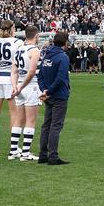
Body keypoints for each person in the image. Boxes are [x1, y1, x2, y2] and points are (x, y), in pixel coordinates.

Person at [0, 20, 23, 156]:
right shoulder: (17, 42)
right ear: (12, 28)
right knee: (14, 113)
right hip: (10, 78)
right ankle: (14, 147)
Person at [38, 31, 71, 165]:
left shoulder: (47, 55)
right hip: (58, 95)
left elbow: (40, 75)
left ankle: (43, 154)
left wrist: (44, 90)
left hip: (48, 95)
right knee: (56, 126)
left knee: (46, 125)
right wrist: (49, 91)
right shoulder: (62, 57)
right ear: (65, 42)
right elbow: (61, 78)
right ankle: (53, 156)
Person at [11, 25, 42, 161]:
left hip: (19, 86)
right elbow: (32, 71)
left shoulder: (19, 49)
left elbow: (13, 71)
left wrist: (15, 87)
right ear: (36, 36)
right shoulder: (34, 50)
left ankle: (13, 151)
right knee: (30, 120)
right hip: (30, 86)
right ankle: (25, 153)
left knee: (18, 119)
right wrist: (22, 87)